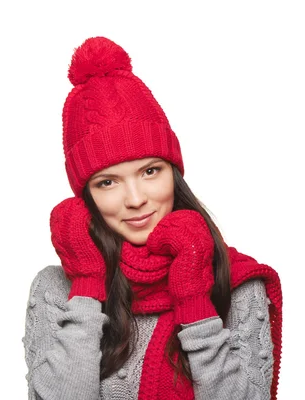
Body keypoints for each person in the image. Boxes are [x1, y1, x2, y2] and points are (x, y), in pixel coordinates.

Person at [22, 36, 282, 400]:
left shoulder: (236, 284)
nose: (135, 199)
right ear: (86, 197)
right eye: (108, 181)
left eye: (150, 171)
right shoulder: (55, 288)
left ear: (173, 173)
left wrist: (195, 302)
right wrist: (86, 285)